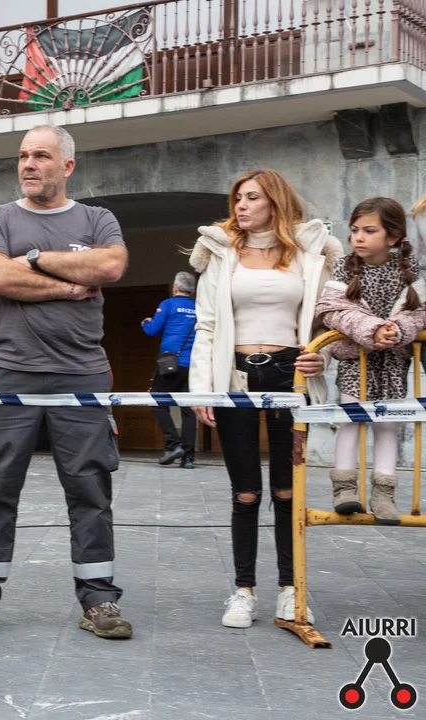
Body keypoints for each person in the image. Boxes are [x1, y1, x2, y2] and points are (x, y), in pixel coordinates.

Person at [0, 125, 132, 641]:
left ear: (66, 166)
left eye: (41, 156)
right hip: (7, 369)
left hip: (82, 371)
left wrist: (32, 260)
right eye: (24, 155)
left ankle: (99, 599)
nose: (28, 164)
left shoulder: (97, 218)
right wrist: (70, 284)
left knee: (90, 486)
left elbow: (110, 264)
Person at [189, 168, 340, 629]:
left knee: (287, 490)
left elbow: (326, 321)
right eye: (238, 197)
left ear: (275, 202)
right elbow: (207, 324)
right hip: (234, 376)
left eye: (252, 197)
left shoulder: (310, 254)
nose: (241, 205)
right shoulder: (221, 254)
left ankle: (291, 589)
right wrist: (201, 389)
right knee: (245, 492)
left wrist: (321, 357)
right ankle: (244, 591)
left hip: (290, 376)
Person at [315, 197, 426, 523]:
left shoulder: (410, 269)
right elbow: (331, 308)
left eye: (369, 230)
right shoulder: (344, 266)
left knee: (387, 425)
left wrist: (397, 330)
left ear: (393, 237)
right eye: (354, 230)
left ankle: (384, 495)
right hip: (355, 358)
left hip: (392, 361)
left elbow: (418, 310)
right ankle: (344, 488)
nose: (358, 237)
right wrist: (371, 329)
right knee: (351, 419)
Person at [142, 272, 197, 469]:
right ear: (192, 290)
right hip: (193, 365)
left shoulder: (168, 304)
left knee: (157, 402)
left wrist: (145, 322)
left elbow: (152, 330)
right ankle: (188, 458)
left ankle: (173, 445)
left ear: (175, 287)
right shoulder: (199, 308)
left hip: (169, 364)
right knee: (188, 410)